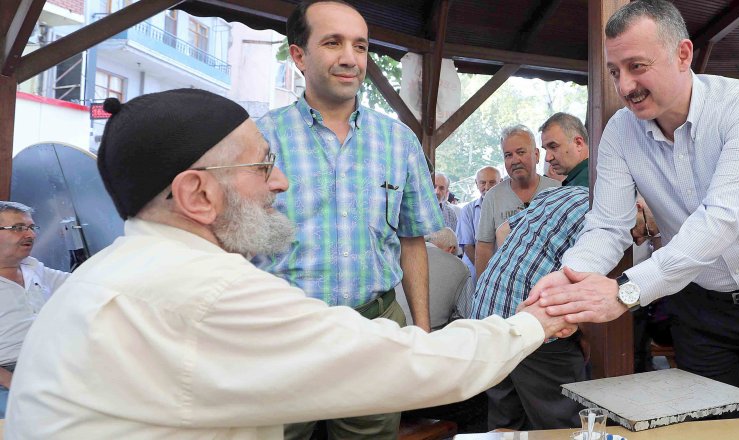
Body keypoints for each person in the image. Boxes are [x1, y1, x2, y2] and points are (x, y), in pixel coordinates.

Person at [4, 89, 576, 439]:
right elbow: (411, 363)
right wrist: (536, 322)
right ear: (197, 194)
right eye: (263, 166)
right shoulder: (203, 291)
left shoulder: (110, 271)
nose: (280, 183)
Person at [528, 0, 739, 415]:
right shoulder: (618, 132)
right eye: (615, 71)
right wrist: (569, 279)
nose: (625, 86)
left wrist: (627, 292)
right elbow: (607, 226)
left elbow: (721, 220)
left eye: (637, 66)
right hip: (700, 305)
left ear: (683, 55)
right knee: (709, 428)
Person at [254, 2, 443, 436]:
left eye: (360, 45)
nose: (349, 58)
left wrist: (423, 334)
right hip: (280, 339)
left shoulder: (398, 141)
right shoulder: (259, 138)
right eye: (332, 42)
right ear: (299, 56)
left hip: (374, 331)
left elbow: (413, 241)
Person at [472, 186, 591, 430]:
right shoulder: (602, 216)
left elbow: (504, 231)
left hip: (488, 308)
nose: (642, 239)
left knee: (506, 418)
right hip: (530, 320)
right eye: (647, 231)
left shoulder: (565, 193)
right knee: (563, 421)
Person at [0, 201, 69, 418]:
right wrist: (12, 381)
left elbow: (86, 284)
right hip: (9, 374)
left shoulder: (34, 268)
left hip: (53, 364)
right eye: (19, 228)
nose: (29, 234)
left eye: (32, 227)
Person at [475, 126, 559, 278]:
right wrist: (483, 286)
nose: (515, 160)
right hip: (506, 288)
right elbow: (484, 248)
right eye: (508, 155)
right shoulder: (493, 197)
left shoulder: (557, 191)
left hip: (551, 287)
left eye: (521, 152)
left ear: (536, 154)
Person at [395, 227, 471, 330]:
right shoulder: (461, 267)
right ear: (451, 249)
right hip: (428, 337)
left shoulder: (395, 252)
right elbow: (466, 318)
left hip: (388, 329)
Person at [456, 166, 501, 280]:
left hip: (501, 272)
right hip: (475, 270)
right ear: (476, 184)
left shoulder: (506, 208)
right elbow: (468, 246)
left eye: (492, 182)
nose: (487, 187)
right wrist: (485, 273)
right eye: (482, 183)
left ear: (501, 182)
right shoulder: (467, 210)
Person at [540, 112, 590, 187]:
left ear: (578, 143)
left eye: (553, 147)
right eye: (545, 149)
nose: (547, 158)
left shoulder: (584, 183)